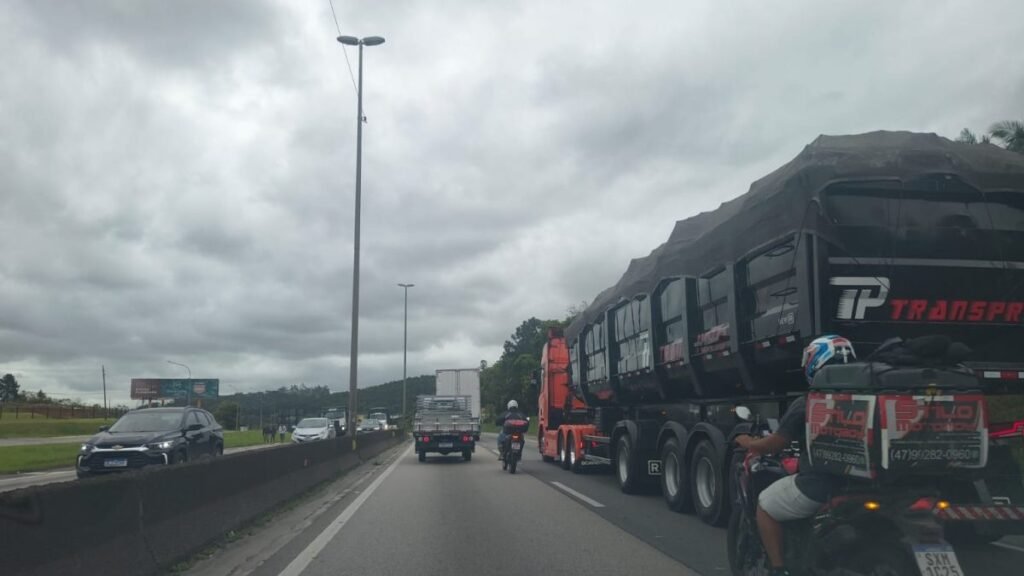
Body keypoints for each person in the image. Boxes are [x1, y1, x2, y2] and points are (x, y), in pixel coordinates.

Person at [733, 335, 856, 576]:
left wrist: (748, 442)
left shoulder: (809, 402)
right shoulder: (871, 397)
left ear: (815, 363)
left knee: (765, 506)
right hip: (865, 485)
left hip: (821, 485)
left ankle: (779, 569)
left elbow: (774, 444)